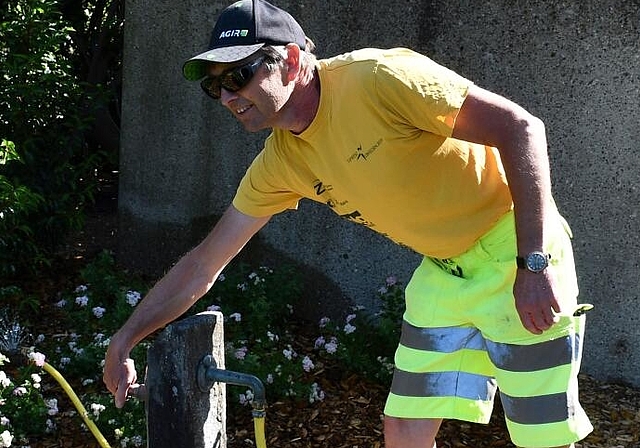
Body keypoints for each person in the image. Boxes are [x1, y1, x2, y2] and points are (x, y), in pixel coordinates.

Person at [103, 0, 594, 446]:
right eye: (215, 86)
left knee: (543, 435)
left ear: (292, 60)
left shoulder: (379, 78)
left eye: (239, 76)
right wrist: (126, 338)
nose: (229, 95)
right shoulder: (280, 163)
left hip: (516, 245)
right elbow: (203, 264)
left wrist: (533, 263)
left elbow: (522, 127)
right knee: (403, 425)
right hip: (446, 271)